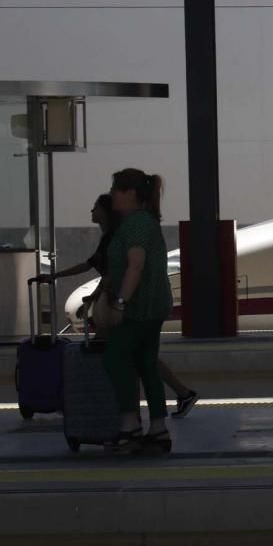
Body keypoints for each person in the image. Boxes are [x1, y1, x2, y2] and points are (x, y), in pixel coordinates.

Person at [38, 193, 199, 418]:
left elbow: (115, 272)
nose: (91, 211)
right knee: (137, 355)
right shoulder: (109, 237)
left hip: (118, 304)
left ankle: (113, 410)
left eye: (95, 207)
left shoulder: (119, 235)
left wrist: (99, 299)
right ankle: (176, 397)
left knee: (116, 355)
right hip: (113, 302)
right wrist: (57, 277)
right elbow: (91, 265)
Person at [102, 169, 175, 452]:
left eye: (115, 190)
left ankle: (129, 425)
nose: (111, 196)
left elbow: (136, 264)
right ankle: (158, 429)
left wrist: (120, 302)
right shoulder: (145, 221)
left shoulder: (134, 223)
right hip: (153, 306)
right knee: (146, 364)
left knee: (114, 359)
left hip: (139, 308)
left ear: (130, 193)